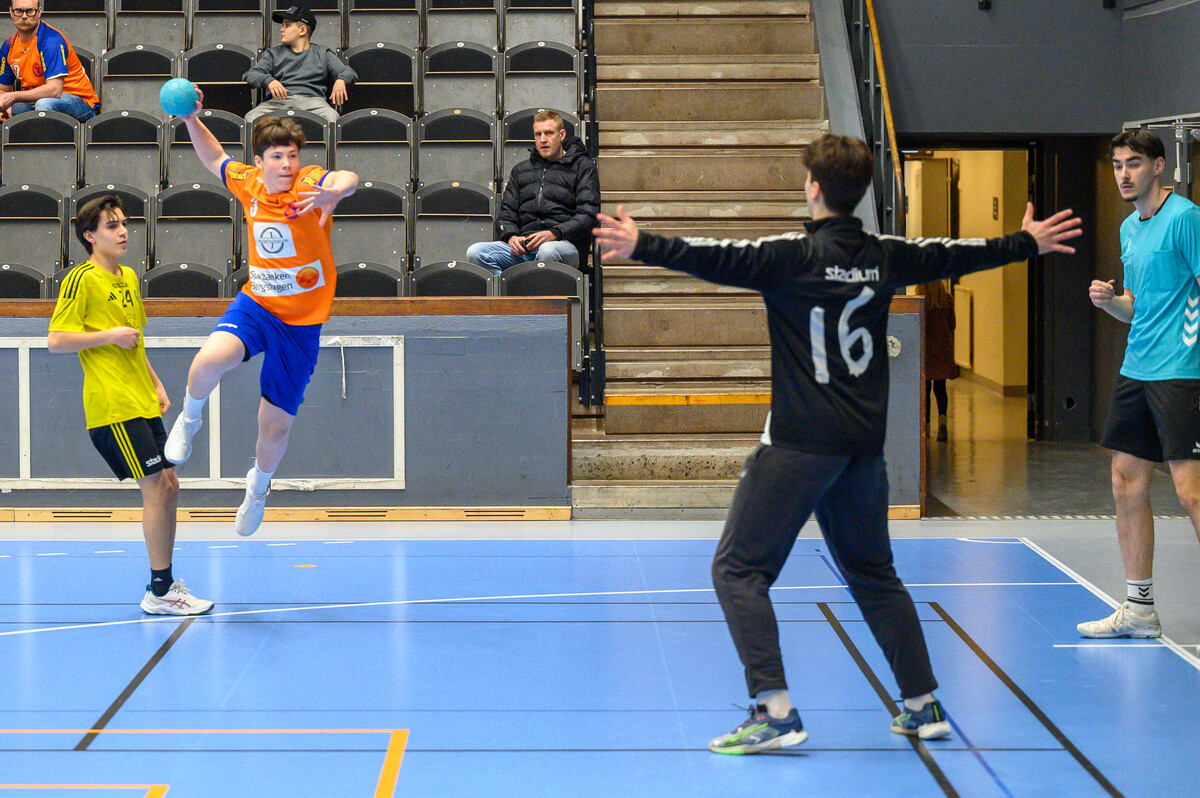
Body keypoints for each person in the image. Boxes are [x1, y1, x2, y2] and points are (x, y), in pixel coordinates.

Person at [593, 133, 1081, 754]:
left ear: (814, 188)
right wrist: (1025, 243)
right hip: (862, 448)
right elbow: (952, 253)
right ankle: (922, 703)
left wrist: (642, 244)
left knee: (738, 570)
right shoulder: (886, 256)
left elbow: (713, 255)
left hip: (799, 444)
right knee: (874, 574)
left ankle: (774, 712)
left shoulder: (789, 255)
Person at [164, 88, 358, 537]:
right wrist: (191, 120)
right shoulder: (248, 183)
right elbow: (216, 159)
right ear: (260, 161)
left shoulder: (311, 184)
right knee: (208, 361)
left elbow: (346, 177)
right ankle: (189, 420)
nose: (287, 164)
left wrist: (335, 193)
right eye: (277, 157)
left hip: (301, 326)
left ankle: (258, 487)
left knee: (273, 431)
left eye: (292, 155)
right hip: (258, 305)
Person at [47, 195, 213, 616]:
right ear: (89, 236)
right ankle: (160, 591)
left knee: (170, 486)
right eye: (111, 226)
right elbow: (56, 340)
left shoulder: (129, 278)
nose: (122, 232)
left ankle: (165, 585)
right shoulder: (81, 279)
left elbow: (134, 341)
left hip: (140, 398)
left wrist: (155, 383)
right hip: (112, 404)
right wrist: (108, 336)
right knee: (155, 488)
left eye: (123, 223)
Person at [1079, 129, 1200, 639]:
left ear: (1158, 166)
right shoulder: (1130, 227)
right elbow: (1138, 307)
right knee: (1125, 482)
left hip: (1182, 371)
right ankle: (1140, 610)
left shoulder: (1186, 219)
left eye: (1133, 163)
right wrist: (1110, 302)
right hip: (1137, 370)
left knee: (1191, 493)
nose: (1123, 174)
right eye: (1117, 165)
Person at [466, 109, 599, 275]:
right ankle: (510, 290)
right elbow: (506, 215)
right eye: (538, 134)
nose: (543, 140)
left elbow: (588, 215)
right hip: (525, 247)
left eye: (549, 133)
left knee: (547, 251)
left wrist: (554, 233)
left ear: (562, 135)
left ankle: (532, 289)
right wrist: (511, 237)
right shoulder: (520, 170)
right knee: (476, 253)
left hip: (564, 245)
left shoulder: (583, 167)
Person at [242, 5, 356, 124]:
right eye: (282, 25)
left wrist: (341, 80)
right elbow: (251, 74)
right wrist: (268, 80)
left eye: (287, 25)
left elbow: (348, 72)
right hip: (278, 102)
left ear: (302, 30)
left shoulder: (323, 53)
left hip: (314, 102)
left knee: (332, 118)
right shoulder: (273, 54)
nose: (281, 29)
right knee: (251, 118)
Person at [0, 0, 99, 122]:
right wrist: (3, 108)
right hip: (35, 101)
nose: (24, 16)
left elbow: (54, 90)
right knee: (10, 109)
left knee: (44, 104)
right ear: (11, 12)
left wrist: (14, 96)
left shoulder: (51, 41)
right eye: (19, 11)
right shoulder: (9, 45)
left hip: (80, 103)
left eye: (30, 11)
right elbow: (3, 89)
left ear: (39, 12)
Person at [916, 279, 958, 441]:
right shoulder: (947, 300)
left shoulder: (920, 303)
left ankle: (926, 425)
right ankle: (942, 421)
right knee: (940, 388)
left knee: (925, 389)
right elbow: (952, 325)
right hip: (943, 349)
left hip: (925, 350)